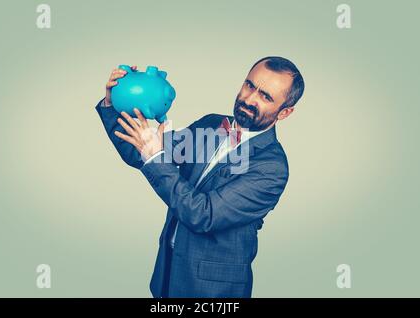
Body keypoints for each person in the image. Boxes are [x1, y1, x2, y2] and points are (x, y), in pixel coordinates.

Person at [95, 56, 305, 297]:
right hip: (169, 274)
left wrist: (154, 156)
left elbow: (203, 214)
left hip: (212, 290)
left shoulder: (271, 168)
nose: (249, 98)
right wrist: (113, 104)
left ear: (285, 112)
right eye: (249, 85)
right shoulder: (212, 124)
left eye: (265, 96)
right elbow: (139, 152)